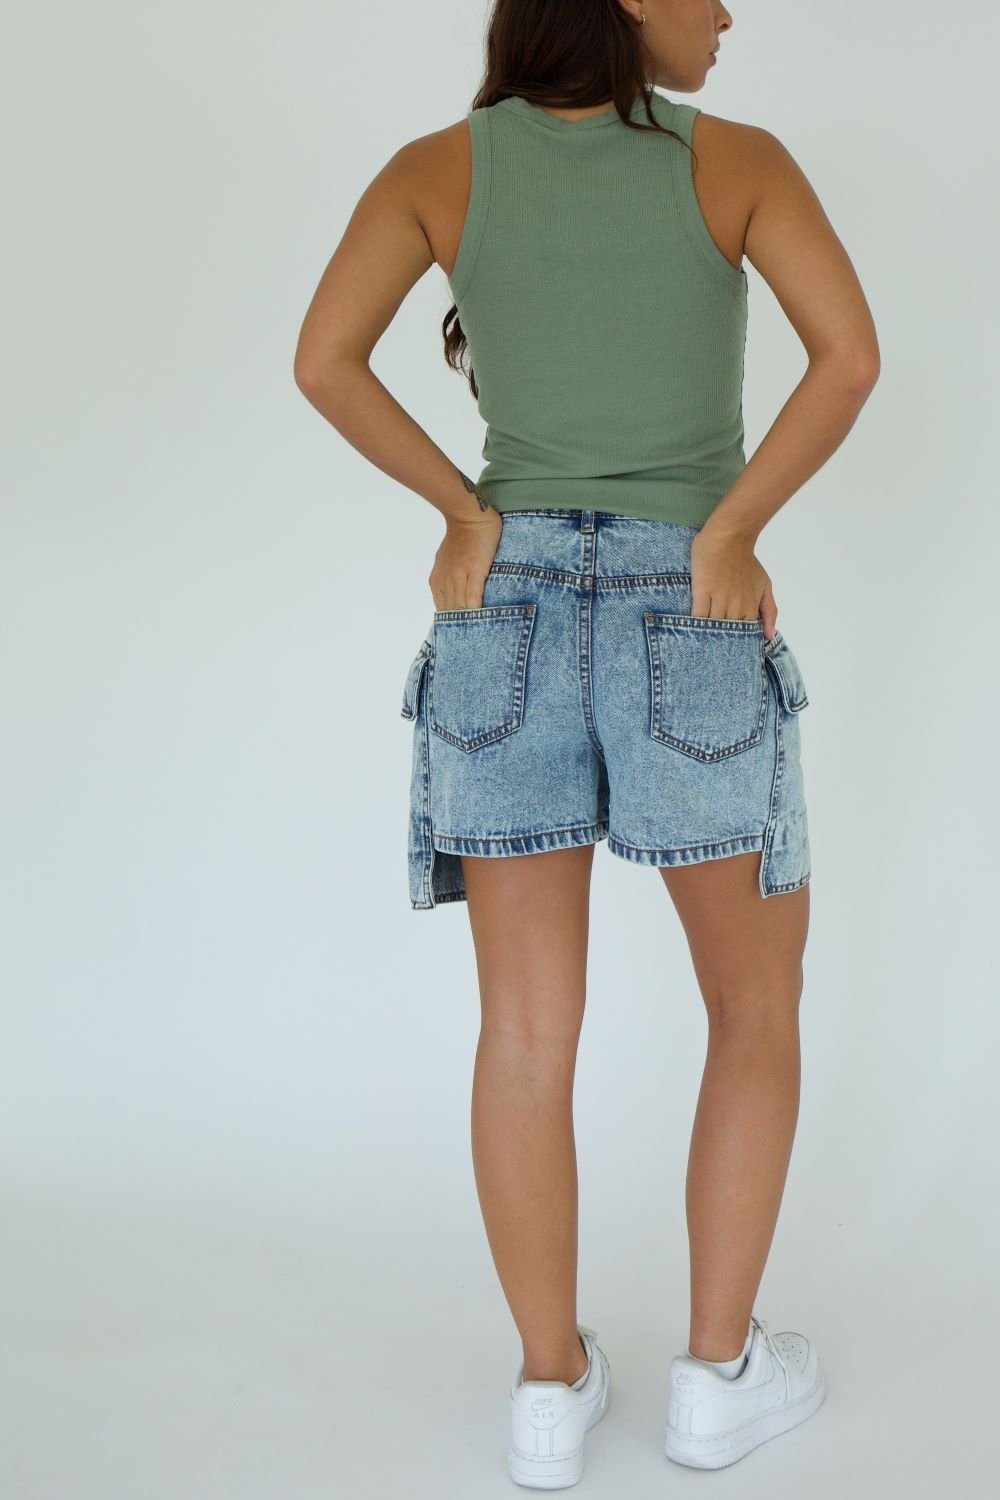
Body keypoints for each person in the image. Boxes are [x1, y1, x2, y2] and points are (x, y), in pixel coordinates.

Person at [294, 0, 879, 1488]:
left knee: (524, 1033)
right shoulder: (737, 162)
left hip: (507, 605)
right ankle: (717, 1378)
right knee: (754, 1005)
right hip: (693, 605)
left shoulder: (440, 168)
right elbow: (849, 358)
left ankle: (549, 1394)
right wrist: (730, 530)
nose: (727, 11)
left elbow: (324, 360)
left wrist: (464, 511)